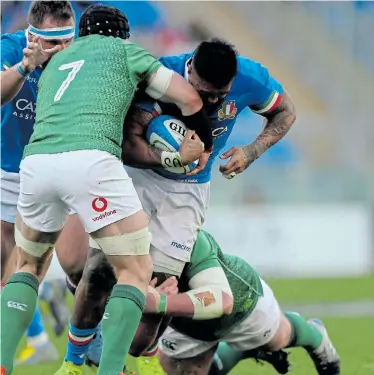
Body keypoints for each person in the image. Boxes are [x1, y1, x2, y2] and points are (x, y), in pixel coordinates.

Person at [54, 37, 297, 370]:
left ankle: (132, 346)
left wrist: (251, 151)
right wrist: (170, 159)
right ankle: (77, 358)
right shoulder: (161, 75)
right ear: (190, 68)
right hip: (137, 182)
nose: (210, 102)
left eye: (219, 96)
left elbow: (285, 112)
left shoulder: (250, 78)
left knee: (143, 335)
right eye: (203, 92)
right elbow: (126, 145)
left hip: (187, 198)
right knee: (95, 275)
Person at [0, 2, 213, 374]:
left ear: (79, 33)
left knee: (27, 265)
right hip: (87, 161)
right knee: (135, 270)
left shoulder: (53, 66)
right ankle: (110, 369)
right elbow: (191, 98)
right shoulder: (123, 51)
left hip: (36, 163)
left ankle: (3, 363)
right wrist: (197, 147)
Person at [130, 230, 341, 375]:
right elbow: (137, 347)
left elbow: (221, 300)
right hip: (183, 323)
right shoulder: (116, 249)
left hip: (240, 305)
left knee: (278, 339)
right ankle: (243, 350)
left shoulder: (186, 236)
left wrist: (160, 304)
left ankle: (315, 335)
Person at [0, 0, 76, 365]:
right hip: (9, 169)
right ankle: (46, 302)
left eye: (68, 41)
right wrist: (25, 66)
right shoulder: (11, 48)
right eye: (52, 43)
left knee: (22, 268)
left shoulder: (79, 58)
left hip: (54, 170)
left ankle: (18, 352)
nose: (63, 51)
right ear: (32, 36)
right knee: (10, 271)